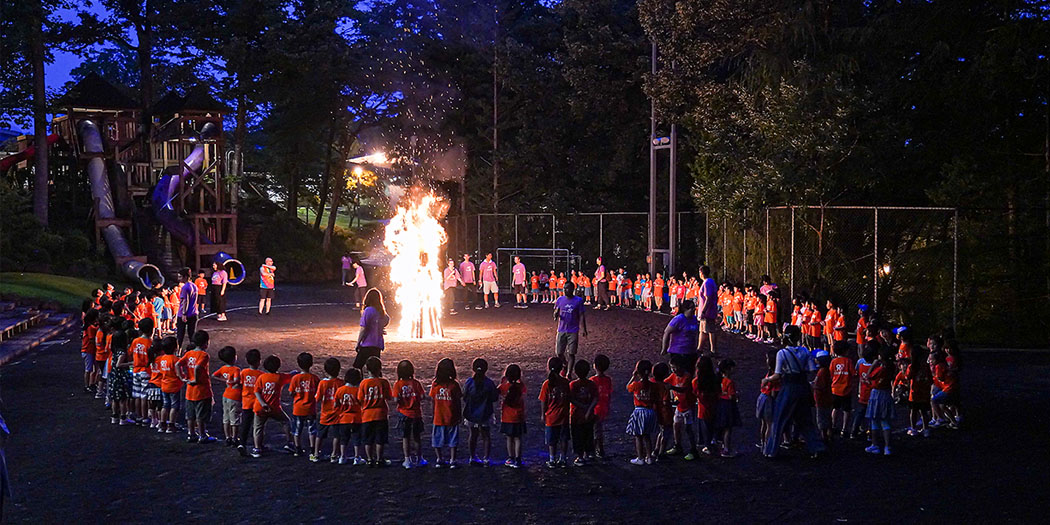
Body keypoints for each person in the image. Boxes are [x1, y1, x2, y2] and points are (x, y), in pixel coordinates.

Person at [761, 325, 826, 458]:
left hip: (789, 386)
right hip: (802, 386)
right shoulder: (805, 351)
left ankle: (771, 450)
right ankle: (816, 447)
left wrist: (766, 380)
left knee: (779, 419)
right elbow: (812, 369)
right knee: (806, 420)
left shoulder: (782, 353)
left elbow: (778, 375)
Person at [251, 355, 296, 458]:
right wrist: (296, 372)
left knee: (258, 428)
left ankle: (257, 448)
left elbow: (257, 391)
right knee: (286, 421)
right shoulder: (280, 377)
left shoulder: (261, 377)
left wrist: (263, 403)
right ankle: (290, 443)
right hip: (274, 408)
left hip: (260, 408)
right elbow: (291, 375)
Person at [176, 330, 214, 443]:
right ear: (206, 343)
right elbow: (198, 367)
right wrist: (196, 379)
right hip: (201, 389)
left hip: (190, 390)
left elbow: (178, 364)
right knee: (201, 414)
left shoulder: (189, 353)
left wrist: (182, 377)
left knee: (190, 414)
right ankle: (202, 435)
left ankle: (191, 434)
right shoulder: (204, 355)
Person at [357, 356, 393, 467]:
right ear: (380, 368)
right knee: (379, 439)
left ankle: (369, 459)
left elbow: (359, 399)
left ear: (367, 369)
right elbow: (389, 397)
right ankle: (379, 459)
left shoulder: (363, 383)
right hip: (381, 414)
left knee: (368, 439)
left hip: (367, 415)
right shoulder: (384, 381)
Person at [463, 358, 499, 465]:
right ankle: (486, 458)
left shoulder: (469, 382)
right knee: (486, 436)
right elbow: (494, 398)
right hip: (485, 413)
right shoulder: (489, 383)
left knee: (472, 435)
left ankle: (472, 457)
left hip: (471, 413)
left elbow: (464, 396)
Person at [430, 358, 463, 468]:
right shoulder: (454, 385)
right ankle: (452, 460)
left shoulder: (435, 384)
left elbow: (432, 399)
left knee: (437, 439)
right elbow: (458, 401)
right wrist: (459, 415)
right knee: (453, 439)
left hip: (438, 416)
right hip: (452, 416)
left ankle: (439, 458)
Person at [538, 356, 570, 468]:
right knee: (563, 438)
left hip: (551, 417)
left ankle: (552, 459)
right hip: (564, 416)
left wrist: (543, 414)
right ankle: (563, 458)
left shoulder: (546, 384)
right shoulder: (565, 382)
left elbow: (543, 400)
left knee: (552, 440)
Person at [394, 360, 426, 468]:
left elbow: (395, 399)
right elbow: (422, 397)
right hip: (416, 413)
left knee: (405, 437)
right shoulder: (416, 383)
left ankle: (407, 460)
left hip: (404, 413)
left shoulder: (398, 384)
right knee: (417, 437)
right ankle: (419, 458)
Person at [865, 345, 897, 455]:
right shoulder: (891, 367)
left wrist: (874, 364)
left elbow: (868, 376)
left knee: (874, 421)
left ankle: (875, 445)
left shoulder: (880, 369)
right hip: (886, 394)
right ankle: (887, 447)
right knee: (885, 421)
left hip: (876, 394)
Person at [664, 355, 698, 460]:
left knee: (688, 428)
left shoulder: (687, 377)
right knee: (676, 426)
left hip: (688, 406)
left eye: (675, 367)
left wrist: (672, 387)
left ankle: (693, 449)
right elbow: (665, 381)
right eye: (672, 367)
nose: (673, 370)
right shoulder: (673, 376)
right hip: (679, 406)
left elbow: (684, 389)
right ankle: (677, 445)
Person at [312, 358, 344, 463]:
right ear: (338, 370)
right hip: (337, 413)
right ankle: (334, 455)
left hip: (325, 413)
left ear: (325, 370)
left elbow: (317, 398)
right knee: (336, 435)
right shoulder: (341, 383)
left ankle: (316, 454)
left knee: (320, 434)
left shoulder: (322, 383)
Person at [626, 359, 657, 465]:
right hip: (650, 411)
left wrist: (633, 376)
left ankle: (640, 457)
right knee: (647, 436)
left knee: (638, 436)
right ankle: (649, 457)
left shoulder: (636, 385)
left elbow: (628, 387)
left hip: (639, 411)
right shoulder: (652, 385)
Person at [553, 282, 587, 378]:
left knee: (571, 353)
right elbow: (556, 312)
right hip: (562, 329)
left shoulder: (578, 301)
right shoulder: (560, 300)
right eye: (564, 288)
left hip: (573, 330)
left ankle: (569, 373)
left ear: (572, 289)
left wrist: (584, 329)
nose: (565, 290)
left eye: (567, 288)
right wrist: (555, 315)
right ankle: (565, 364)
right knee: (559, 352)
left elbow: (581, 315)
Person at [568, 359, 598, 466]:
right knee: (588, 435)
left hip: (576, 416)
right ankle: (588, 454)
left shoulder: (573, 385)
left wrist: (582, 406)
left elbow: (570, 399)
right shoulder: (591, 384)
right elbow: (595, 398)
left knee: (577, 437)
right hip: (589, 416)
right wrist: (589, 409)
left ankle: (580, 457)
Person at [290, 352, 320, 456]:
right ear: (311, 363)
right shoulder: (314, 378)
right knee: (312, 429)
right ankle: (312, 449)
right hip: (310, 408)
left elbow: (291, 392)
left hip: (298, 408)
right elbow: (318, 391)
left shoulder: (295, 378)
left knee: (297, 430)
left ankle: (297, 449)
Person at [212, 346, 242, 447]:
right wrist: (231, 382)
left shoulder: (223, 368)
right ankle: (234, 438)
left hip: (226, 395)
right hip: (234, 395)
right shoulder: (236, 369)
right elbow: (237, 381)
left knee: (226, 417)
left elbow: (214, 375)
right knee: (235, 418)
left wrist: (225, 381)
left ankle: (227, 437)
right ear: (234, 357)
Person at [499, 364, 527, 468]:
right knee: (518, 438)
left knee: (509, 438)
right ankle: (518, 459)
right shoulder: (521, 386)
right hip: (519, 416)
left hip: (507, 417)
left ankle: (511, 458)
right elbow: (524, 390)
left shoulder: (504, 386)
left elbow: (497, 391)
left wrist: (502, 381)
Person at [354, 288, 390, 369]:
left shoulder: (368, 310)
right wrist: (380, 327)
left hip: (367, 344)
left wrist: (358, 343)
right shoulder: (380, 311)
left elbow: (363, 328)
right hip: (377, 344)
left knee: (357, 366)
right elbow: (387, 319)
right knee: (375, 368)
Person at [333, 368, 363, 464]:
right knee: (356, 438)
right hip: (357, 418)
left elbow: (335, 405)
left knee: (343, 439)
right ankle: (357, 457)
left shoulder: (340, 390)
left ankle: (342, 457)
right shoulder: (358, 390)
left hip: (344, 418)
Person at [236, 349, 263, 456]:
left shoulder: (244, 372)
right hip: (257, 404)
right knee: (258, 426)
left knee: (245, 424)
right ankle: (258, 445)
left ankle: (242, 443)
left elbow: (240, 384)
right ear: (259, 361)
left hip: (246, 402)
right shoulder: (261, 374)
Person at [661, 299, 700, 371]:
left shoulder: (694, 319)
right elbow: (667, 332)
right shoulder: (679, 319)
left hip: (691, 351)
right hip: (678, 351)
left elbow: (696, 334)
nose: (694, 309)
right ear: (685, 309)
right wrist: (664, 348)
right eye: (691, 308)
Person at [156, 336, 182, 434]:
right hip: (174, 386)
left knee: (165, 405)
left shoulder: (162, 358)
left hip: (164, 385)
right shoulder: (175, 360)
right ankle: (171, 425)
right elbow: (178, 373)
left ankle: (162, 425)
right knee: (174, 406)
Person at [829, 342, 855, 438]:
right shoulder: (848, 361)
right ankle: (844, 429)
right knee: (846, 410)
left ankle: (833, 425)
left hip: (835, 389)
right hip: (846, 390)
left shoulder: (833, 362)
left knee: (835, 408)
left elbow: (831, 374)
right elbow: (853, 373)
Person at [755, 349, 779, 448]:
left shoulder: (768, 373)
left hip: (762, 397)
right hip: (769, 399)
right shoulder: (775, 376)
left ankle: (762, 442)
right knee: (769, 425)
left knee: (763, 424)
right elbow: (774, 393)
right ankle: (767, 446)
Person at [591, 354, 612, 458]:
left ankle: (595, 450)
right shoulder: (608, 380)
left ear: (595, 366)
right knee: (598, 429)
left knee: (595, 431)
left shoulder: (592, 380)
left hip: (594, 409)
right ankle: (600, 449)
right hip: (603, 408)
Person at [697, 265, 719, 355]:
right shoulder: (708, 282)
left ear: (701, 273)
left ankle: (713, 350)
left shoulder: (707, 283)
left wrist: (703, 311)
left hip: (708, 312)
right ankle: (700, 348)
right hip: (707, 311)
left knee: (710, 330)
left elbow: (708, 298)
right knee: (702, 330)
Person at [175, 268, 198, 350]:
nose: (179, 279)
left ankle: (178, 350)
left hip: (183, 314)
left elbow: (185, 301)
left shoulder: (185, 287)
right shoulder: (194, 286)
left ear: (185, 277)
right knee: (192, 334)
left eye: (180, 277)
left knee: (180, 334)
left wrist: (184, 313)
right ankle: (194, 351)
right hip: (194, 313)